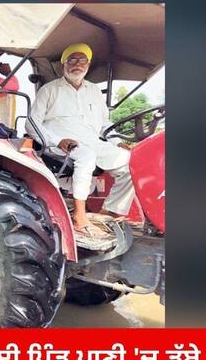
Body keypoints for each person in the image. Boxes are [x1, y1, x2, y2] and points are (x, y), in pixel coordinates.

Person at [25, 43, 135, 240]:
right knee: (86, 155)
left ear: (88, 64)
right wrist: (57, 141)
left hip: (93, 141)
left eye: (82, 60)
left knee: (130, 161)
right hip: (61, 145)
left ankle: (108, 213)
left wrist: (116, 140)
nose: (77, 64)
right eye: (72, 60)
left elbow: (104, 123)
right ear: (63, 64)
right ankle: (80, 217)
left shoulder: (94, 91)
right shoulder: (49, 90)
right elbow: (31, 123)